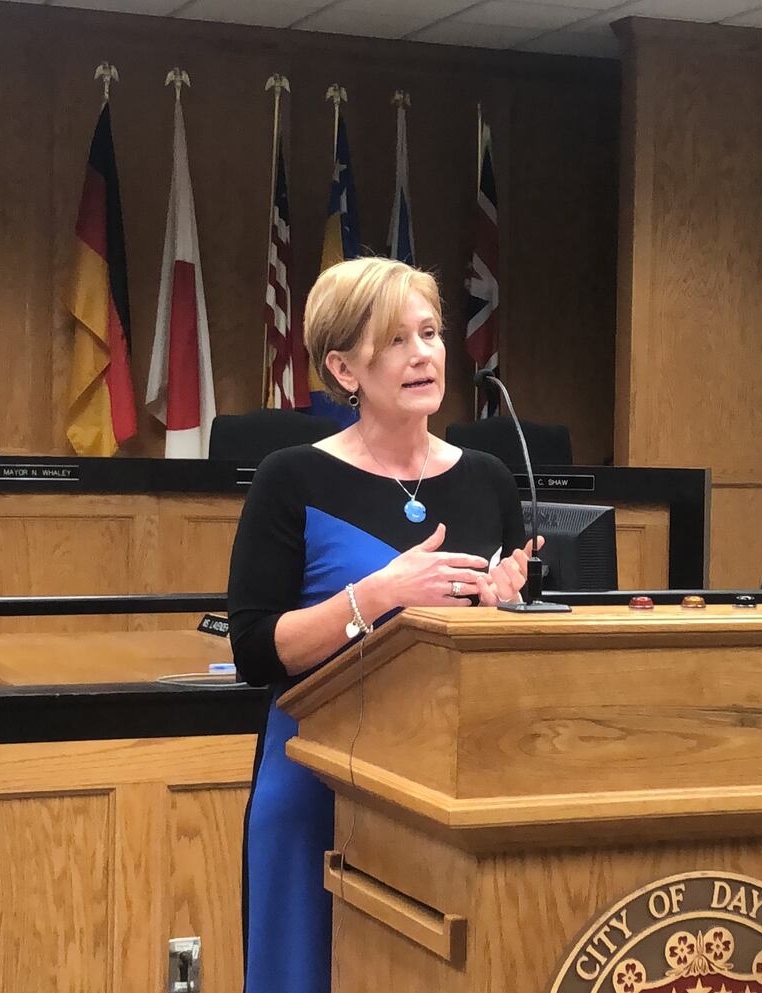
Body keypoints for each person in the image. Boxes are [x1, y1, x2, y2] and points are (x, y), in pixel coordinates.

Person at [227, 257, 541, 993]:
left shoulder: (488, 478)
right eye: (395, 339)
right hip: (318, 779)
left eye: (429, 332)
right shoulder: (291, 476)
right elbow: (252, 650)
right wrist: (375, 596)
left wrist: (505, 610)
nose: (424, 353)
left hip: (447, 789)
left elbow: (494, 652)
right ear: (343, 366)